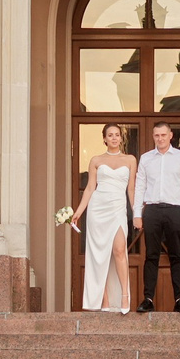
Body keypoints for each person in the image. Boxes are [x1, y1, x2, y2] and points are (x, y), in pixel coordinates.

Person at [133, 121, 180, 313]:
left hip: (175, 210)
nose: (160, 139)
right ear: (153, 137)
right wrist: (137, 213)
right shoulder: (146, 159)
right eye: (156, 136)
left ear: (170, 135)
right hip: (152, 209)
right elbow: (140, 187)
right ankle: (148, 299)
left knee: (176, 255)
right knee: (151, 256)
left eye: (163, 135)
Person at [74, 123, 136, 314]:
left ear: (121, 138)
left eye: (117, 134)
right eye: (110, 135)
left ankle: (124, 295)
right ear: (104, 139)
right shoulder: (96, 160)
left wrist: (137, 214)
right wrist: (79, 211)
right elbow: (90, 188)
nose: (114, 138)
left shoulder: (130, 159)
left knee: (119, 250)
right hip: (97, 210)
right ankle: (105, 300)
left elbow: (131, 189)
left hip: (118, 209)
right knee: (100, 255)